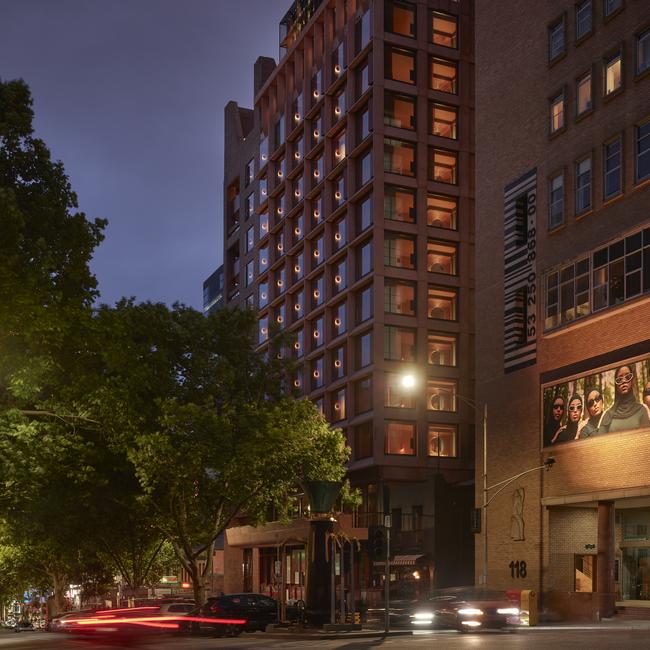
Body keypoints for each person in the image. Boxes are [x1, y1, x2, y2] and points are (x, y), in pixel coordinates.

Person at [600, 365, 650, 433]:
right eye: (619, 379)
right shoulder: (608, 415)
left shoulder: (641, 410)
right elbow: (600, 441)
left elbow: (646, 438)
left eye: (628, 377)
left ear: (632, 381)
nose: (623, 381)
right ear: (616, 385)